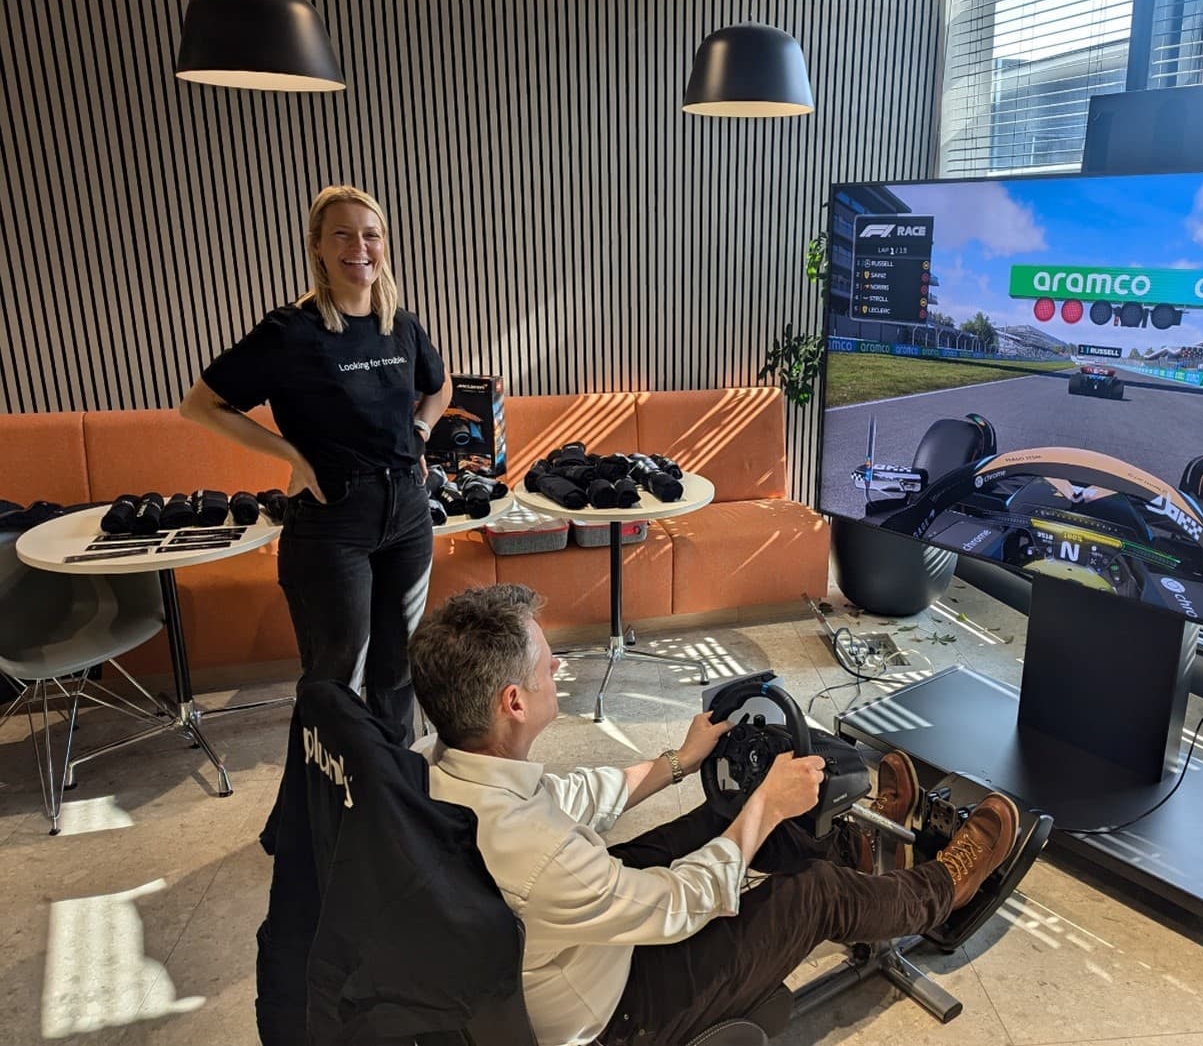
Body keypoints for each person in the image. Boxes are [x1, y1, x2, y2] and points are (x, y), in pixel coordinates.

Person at [408, 584, 1020, 1046]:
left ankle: (839, 842)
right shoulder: (538, 854)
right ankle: (945, 886)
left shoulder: (432, 769)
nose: (558, 669)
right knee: (812, 893)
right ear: (513, 701)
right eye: (547, 664)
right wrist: (765, 804)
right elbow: (677, 905)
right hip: (615, 1015)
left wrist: (680, 759)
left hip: (552, 948)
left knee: (709, 821)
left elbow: (573, 798)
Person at [180, 185, 452, 742]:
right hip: (332, 522)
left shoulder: (400, 324)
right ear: (318, 248)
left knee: (398, 670)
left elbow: (439, 386)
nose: (360, 247)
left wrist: (419, 432)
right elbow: (200, 405)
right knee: (337, 673)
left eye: (371, 234)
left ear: (384, 245)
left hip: (407, 511)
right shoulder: (290, 332)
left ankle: (390, 791)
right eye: (343, 235)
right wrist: (290, 456)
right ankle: (334, 798)